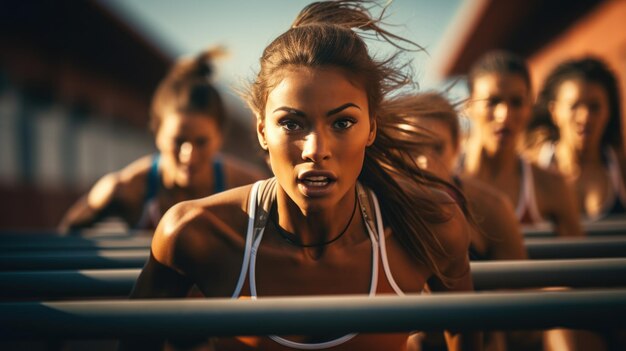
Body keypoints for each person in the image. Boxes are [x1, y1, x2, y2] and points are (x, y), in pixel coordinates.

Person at [120, 1, 481, 350]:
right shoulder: (195, 232)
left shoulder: (432, 226)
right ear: (262, 130)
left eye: (342, 122)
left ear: (371, 127)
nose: (315, 149)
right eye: (291, 123)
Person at [58, 48, 268, 234]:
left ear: (219, 137)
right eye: (178, 141)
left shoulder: (248, 188)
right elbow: (66, 234)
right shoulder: (126, 189)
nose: (189, 154)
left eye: (202, 141)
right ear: (157, 132)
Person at [385, 92, 525, 351]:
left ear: (456, 147)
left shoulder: (491, 207)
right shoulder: (370, 206)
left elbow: (520, 304)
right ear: (391, 152)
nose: (425, 161)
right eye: (411, 147)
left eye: (436, 147)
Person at [462, 50, 582, 237]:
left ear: (529, 108)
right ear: (469, 107)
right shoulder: (444, 181)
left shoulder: (552, 185)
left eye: (517, 102)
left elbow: (579, 260)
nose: (505, 114)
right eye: (492, 102)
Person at [527, 57, 626, 222]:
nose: (585, 117)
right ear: (554, 112)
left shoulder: (621, 169)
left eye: (595, 106)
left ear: (609, 111)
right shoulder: (533, 167)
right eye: (574, 106)